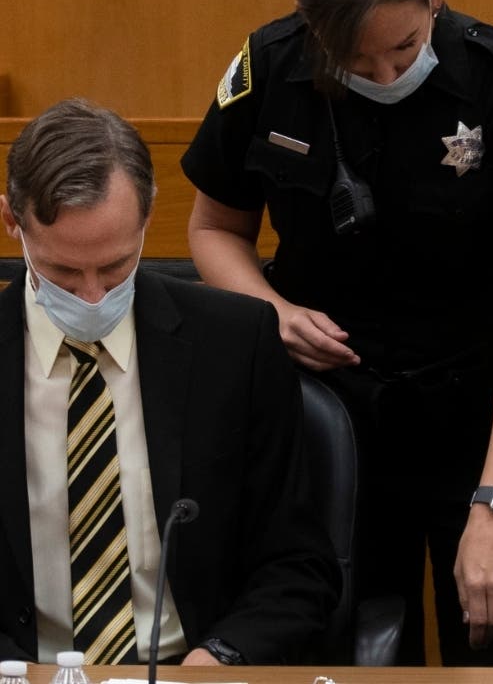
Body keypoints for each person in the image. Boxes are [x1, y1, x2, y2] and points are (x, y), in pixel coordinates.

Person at [180, 0, 493, 666]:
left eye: (403, 46)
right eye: (356, 63)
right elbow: (213, 231)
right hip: (336, 418)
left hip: (490, 416)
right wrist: (271, 311)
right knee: (339, 648)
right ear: (310, 25)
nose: (387, 74)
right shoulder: (271, 70)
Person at [0, 98, 339, 665]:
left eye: (115, 266)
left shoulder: (235, 346)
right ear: (12, 223)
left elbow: (299, 566)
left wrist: (221, 657)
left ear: (148, 217)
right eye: (61, 271)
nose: (92, 296)